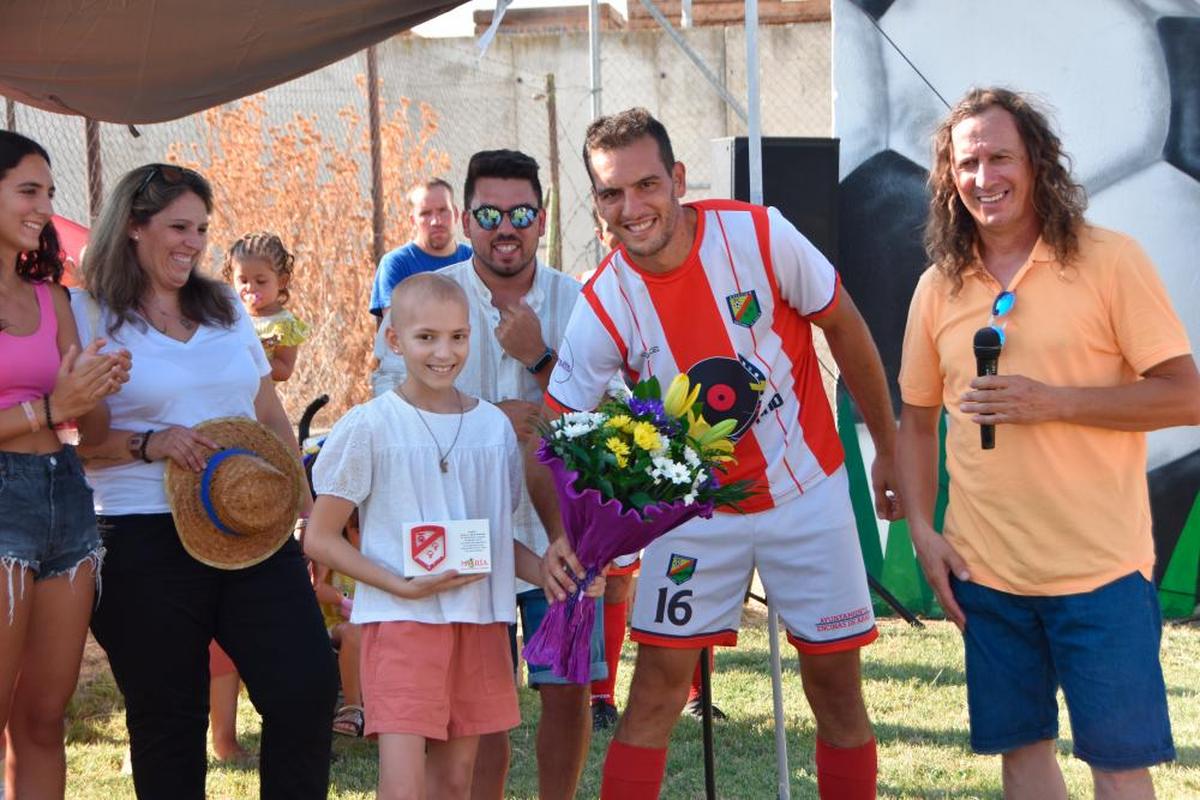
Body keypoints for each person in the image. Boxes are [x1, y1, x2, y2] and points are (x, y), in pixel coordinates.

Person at [535, 107, 901, 800]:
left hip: (808, 493)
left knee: (837, 693)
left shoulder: (759, 234)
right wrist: (562, 529)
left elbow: (845, 327)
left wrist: (884, 448)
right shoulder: (604, 301)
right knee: (653, 697)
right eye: (612, 194)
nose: (632, 208)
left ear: (677, 178)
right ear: (596, 205)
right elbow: (555, 432)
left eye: (646, 185)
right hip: (694, 518)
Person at [895, 87, 1199, 800]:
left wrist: (1053, 403)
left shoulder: (1110, 261)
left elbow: (1186, 395)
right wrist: (920, 530)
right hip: (987, 574)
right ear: (947, 177)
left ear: (1036, 164)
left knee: (1120, 765)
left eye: (1000, 157)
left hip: (1101, 573)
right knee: (1022, 756)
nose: (983, 177)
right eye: (966, 163)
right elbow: (915, 420)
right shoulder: (937, 287)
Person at [72, 163, 338, 799]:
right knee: (169, 719)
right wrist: (150, 441)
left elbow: (267, 411)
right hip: (141, 533)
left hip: (251, 523)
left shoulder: (221, 304)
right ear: (134, 228)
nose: (192, 242)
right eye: (177, 227)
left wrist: (305, 515)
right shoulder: (90, 314)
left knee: (306, 687)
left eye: (201, 229)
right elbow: (79, 441)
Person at [304, 272, 602, 800]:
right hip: (401, 624)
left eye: (458, 337)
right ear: (394, 340)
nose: (444, 352)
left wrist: (558, 575)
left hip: (481, 623)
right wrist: (401, 585)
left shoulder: (493, 429)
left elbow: (490, 541)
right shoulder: (370, 426)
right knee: (402, 784)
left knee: (455, 780)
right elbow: (321, 539)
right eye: (426, 337)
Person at [380, 149, 614, 800]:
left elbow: (619, 422)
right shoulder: (425, 300)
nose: (504, 227)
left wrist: (539, 358)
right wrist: (485, 419)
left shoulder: (581, 302)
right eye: (488, 213)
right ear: (464, 218)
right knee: (477, 711)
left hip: (559, 536)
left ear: (542, 218)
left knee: (565, 691)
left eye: (520, 213)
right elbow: (386, 407)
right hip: (459, 533)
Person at [0, 131, 129, 799]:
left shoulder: (55, 299)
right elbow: (53, 409)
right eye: (29, 190)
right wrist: (51, 407)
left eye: (49, 192)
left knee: (45, 722)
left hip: (66, 500)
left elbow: (94, 431)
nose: (46, 207)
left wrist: (98, 387)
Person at [370, 179, 473, 395]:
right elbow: (400, 330)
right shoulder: (396, 263)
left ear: (455, 213)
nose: (436, 220)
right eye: (425, 213)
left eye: (443, 211)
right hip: (415, 379)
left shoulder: (473, 260)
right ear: (412, 220)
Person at [224, 231, 311, 382]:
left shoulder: (284, 325)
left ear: (281, 281)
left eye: (261, 281)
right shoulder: (231, 315)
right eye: (243, 281)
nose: (250, 287)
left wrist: (249, 361)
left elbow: (284, 370)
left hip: (258, 400)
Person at [313, 509, 365, 738]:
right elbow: (315, 588)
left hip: (377, 625)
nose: (364, 537)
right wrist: (343, 601)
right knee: (354, 632)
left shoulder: (382, 556)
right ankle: (353, 707)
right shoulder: (335, 554)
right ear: (346, 528)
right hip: (336, 623)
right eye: (358, 531)